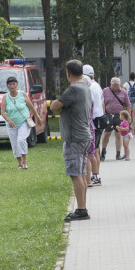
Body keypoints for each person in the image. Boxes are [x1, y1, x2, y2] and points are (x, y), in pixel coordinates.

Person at [50, 60, 92, 221]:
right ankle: (82, 207)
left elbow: (54, 106)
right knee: (80, 174)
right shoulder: (85, 87)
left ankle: (81, 210)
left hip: (74, 137)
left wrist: (60, 106)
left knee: (75, 174)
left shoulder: (73, 88)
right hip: (84, 135)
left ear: (68, 72)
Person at [0, 75, 40, 170]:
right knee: (14, 144)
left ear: (17, 85)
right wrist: (8, 120)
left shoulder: (23, 94)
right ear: (8, 86)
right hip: (11, 124)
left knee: (21, 140)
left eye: (14, 84)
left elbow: (31, 107)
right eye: (10, 84)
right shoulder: (5, 97)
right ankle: (19, 163)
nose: (12, 86)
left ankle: (25, 161)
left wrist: (37, 117)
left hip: (23, 122)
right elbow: (2, 111)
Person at [83, 64, 104, 186]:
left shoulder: (88, 87)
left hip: (92, 121)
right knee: (96, 150)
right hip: (99, 119)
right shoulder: (97, 86)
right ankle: (96, 175)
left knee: (91, 152)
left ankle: (94, 176)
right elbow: (102, 103)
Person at [101, 77, 131, 160]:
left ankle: (118, 154)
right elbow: (102, 103)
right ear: (110, 84)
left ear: (119, 85)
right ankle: (103, 152)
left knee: (118, 134)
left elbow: (128, 105)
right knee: (106, 133)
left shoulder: (123, 92)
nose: (115, 87)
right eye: (113, 85)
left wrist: (128, 117)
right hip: (108, 115)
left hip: (119, 116)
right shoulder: (105, 91)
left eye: (117, 85)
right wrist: (103, 114)